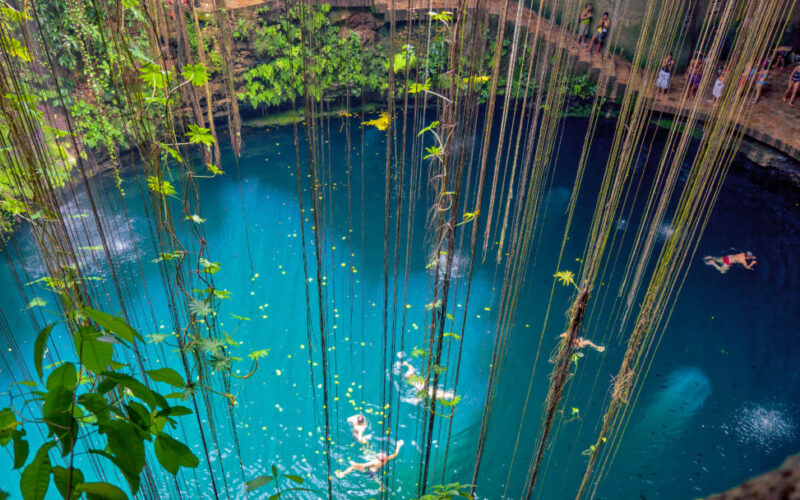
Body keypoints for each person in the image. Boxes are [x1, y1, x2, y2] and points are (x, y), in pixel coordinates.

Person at [335, 440, 404, 490]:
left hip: (370, 471)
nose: (381, 453)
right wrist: (398, 445)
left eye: (381, 455)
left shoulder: (374, 462)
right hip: (375, 470)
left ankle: (342, 474)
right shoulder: (386, 459)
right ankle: (381, 486)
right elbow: (395, 454)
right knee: (375, 478)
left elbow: (363, 465)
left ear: (379, 458)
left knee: (353, 467)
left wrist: (354, 463)